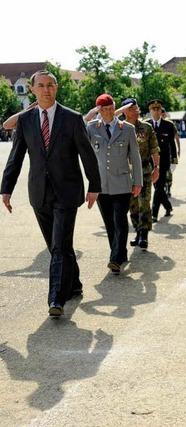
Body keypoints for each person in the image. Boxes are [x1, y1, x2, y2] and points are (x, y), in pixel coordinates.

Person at [0, 70, 101, 317]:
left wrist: (94, 185)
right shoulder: (25, 120)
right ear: (33, 90)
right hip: (39, 193)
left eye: (51, 85)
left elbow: (87, 154)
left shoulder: (72, 118)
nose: (46, 89)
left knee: (58, 247)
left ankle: (56, 298)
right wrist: (6, 188)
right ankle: (74, 284)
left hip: (68, 192)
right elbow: (16, 157)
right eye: (42, 86)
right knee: (59, 245)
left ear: (56, 88)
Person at [86, 94, 142, 274]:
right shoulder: (91, 127)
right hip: (101, 185)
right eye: (104, 110)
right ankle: (119, 253)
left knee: (119, 219)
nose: (108, 112)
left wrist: (138, 181)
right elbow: (82, 148)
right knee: (109, 222)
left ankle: (115, 258)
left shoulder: (126, 128)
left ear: (115, 108)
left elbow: (135, 156)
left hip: (122, 182)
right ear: (99, 111)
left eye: (111, 108)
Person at [121, 98, 160, 250]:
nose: (136, 111)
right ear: (125, 111)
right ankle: (137, 230)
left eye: (137, 108)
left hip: (144, 171)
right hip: (126, 174)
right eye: (132, 108)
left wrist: (156, 167)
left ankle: (144, 234)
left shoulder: (147, 127)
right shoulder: (119, 127)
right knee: (132, 205)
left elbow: (154, 149)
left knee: (144, 203)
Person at [145, 99, 176, 221]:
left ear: (161, 110)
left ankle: (154, 213)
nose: (156, 111)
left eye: (158, 109)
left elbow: (172, 144)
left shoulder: (168, 125)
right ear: (150, 111)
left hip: (163, 162)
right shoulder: (146, 125)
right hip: (150, 161)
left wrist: (174, 159)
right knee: (158, 186)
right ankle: (168, 206)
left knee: (158, 187)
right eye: (154, 109)